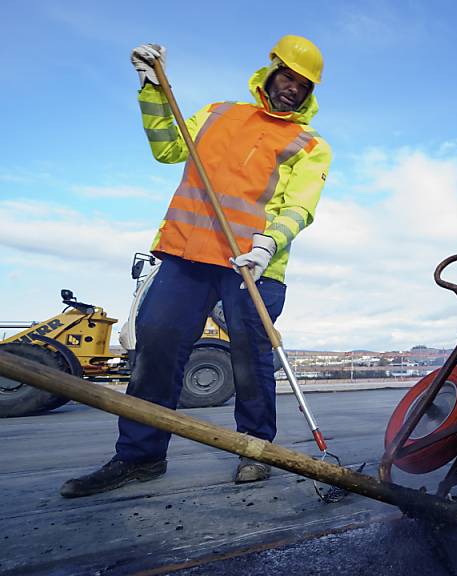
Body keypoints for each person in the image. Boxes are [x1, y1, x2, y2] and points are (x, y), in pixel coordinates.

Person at [61, 36, 332, 498]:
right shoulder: (217, 114)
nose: (292, 88)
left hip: (252, 265)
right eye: (287, 77)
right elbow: (168, 148)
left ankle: (255, 449)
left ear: (310, 93)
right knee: (157, 347)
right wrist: (152, 90)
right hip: (186, 253)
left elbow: (299, 207)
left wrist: (269, 243)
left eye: (303, 85)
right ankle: (140, 457)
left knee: (250, 357)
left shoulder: (310, 146)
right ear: (268, 73)